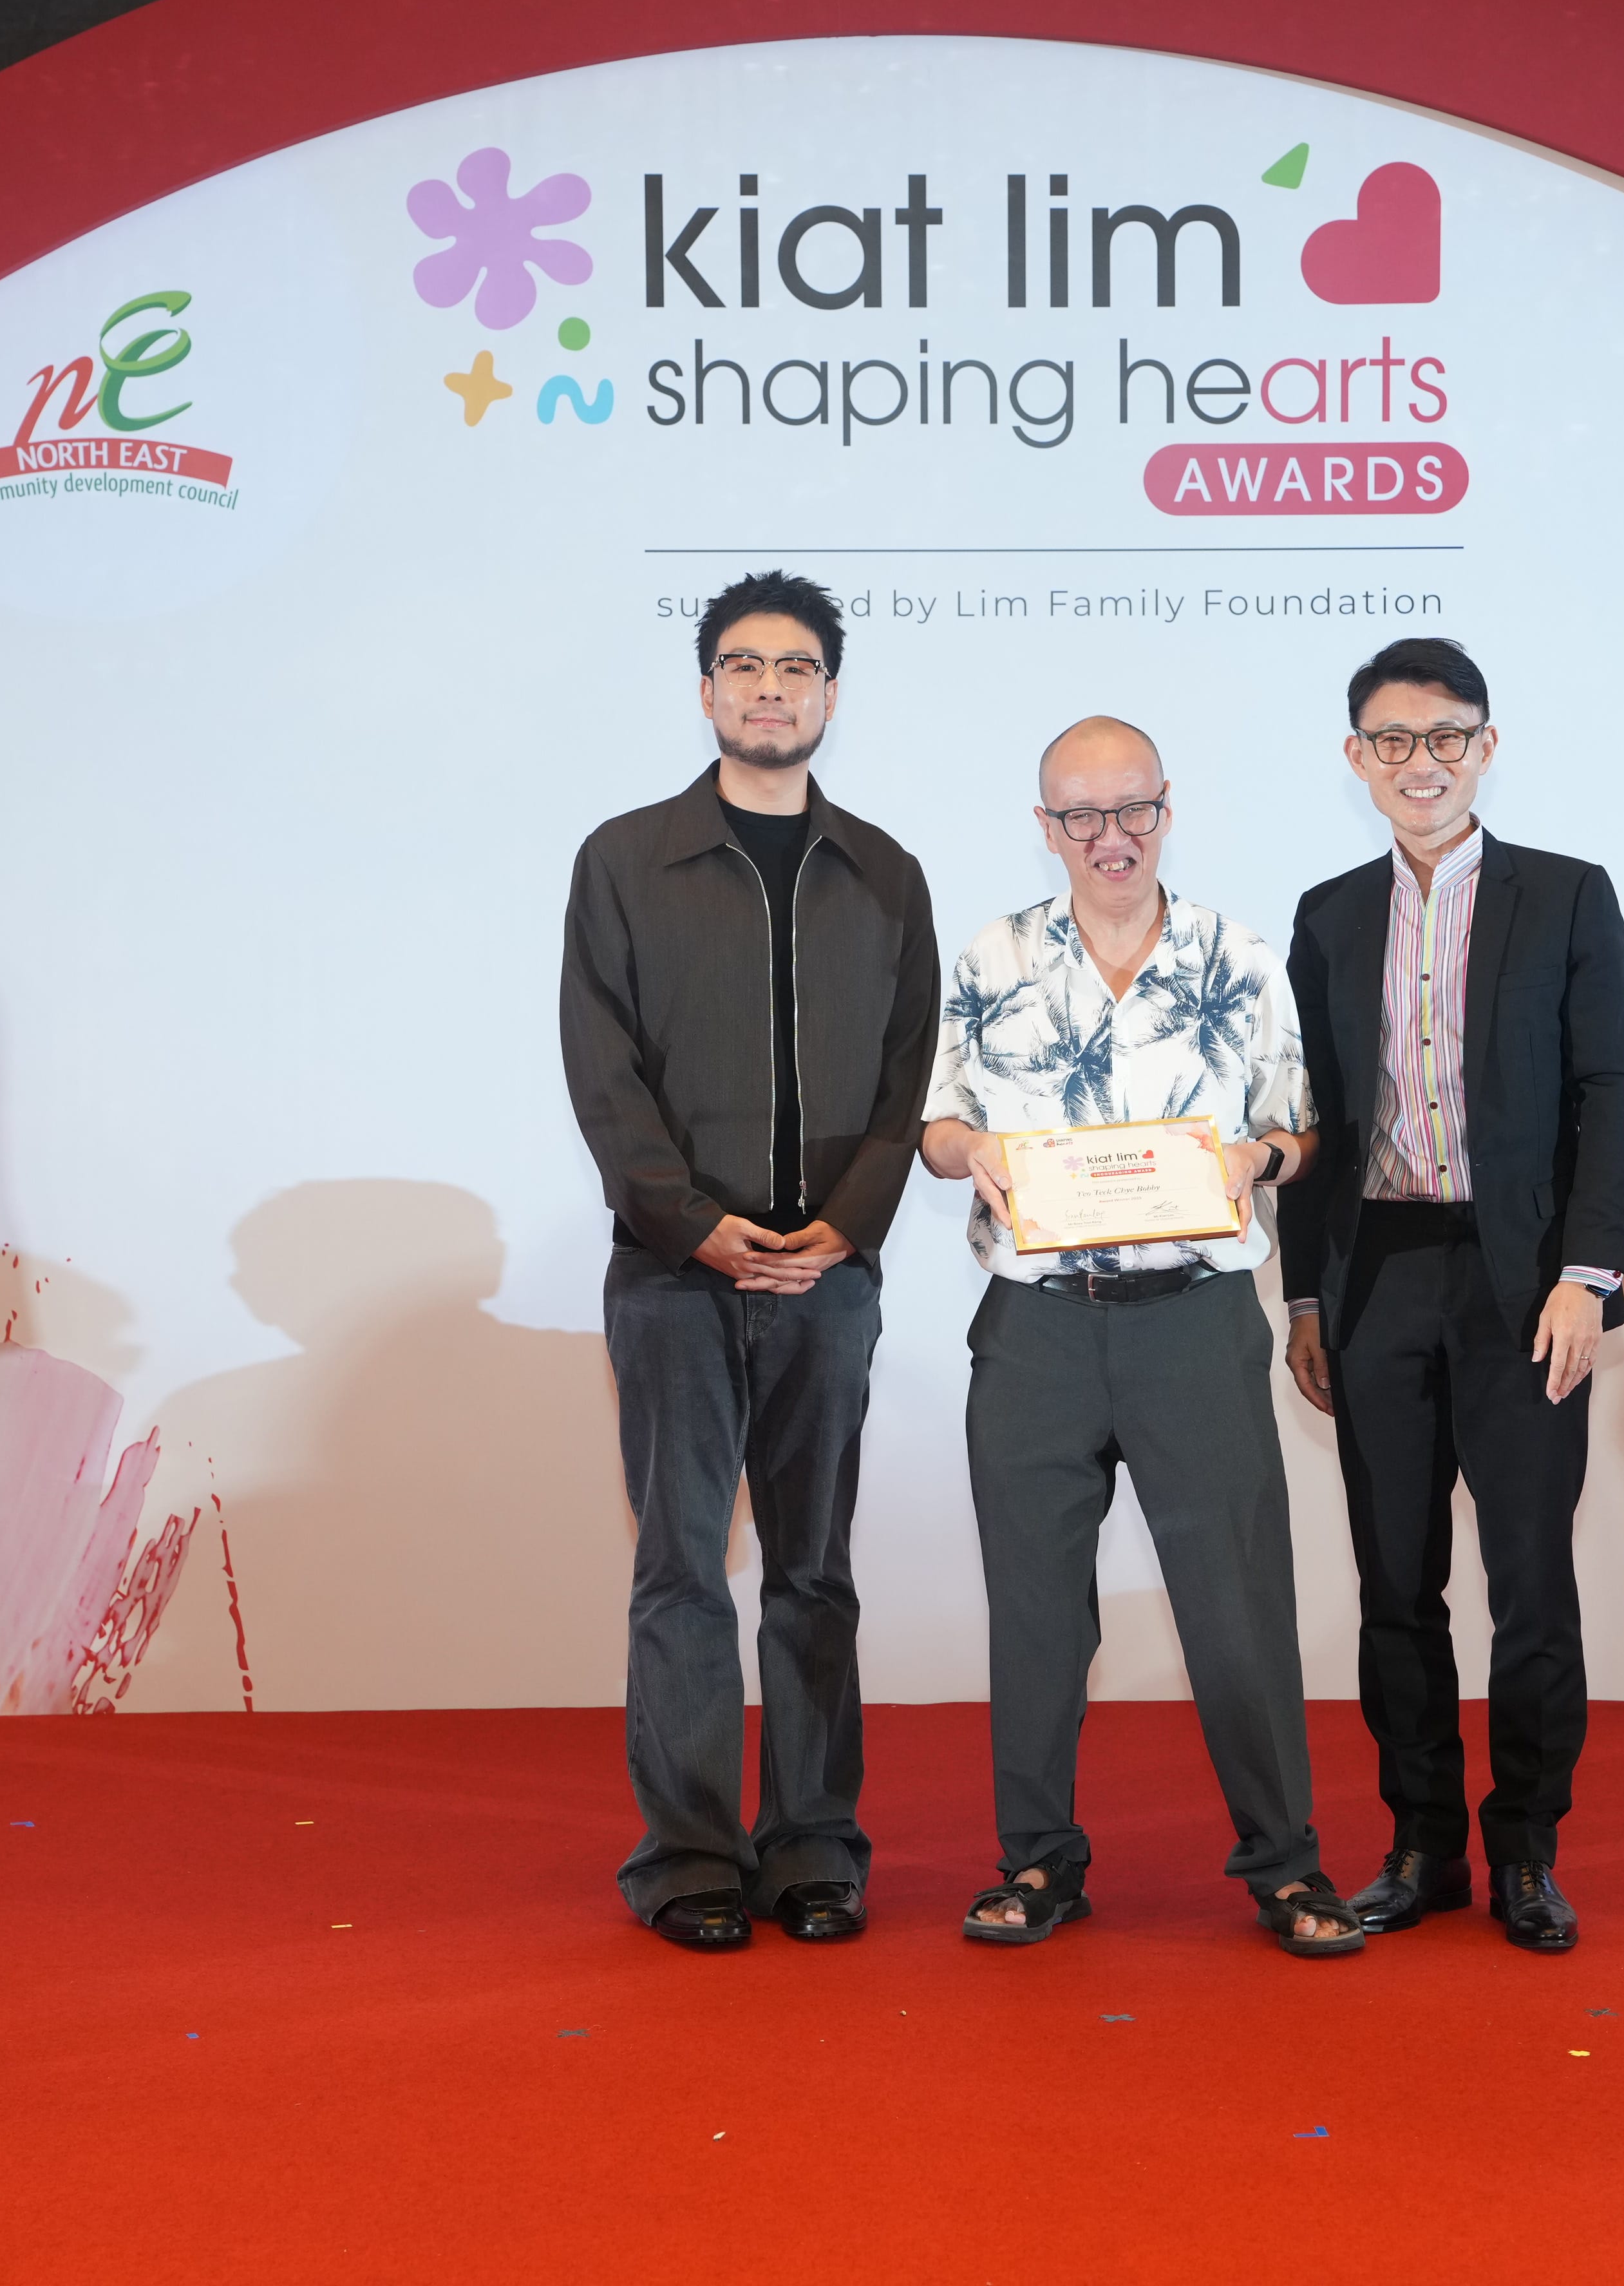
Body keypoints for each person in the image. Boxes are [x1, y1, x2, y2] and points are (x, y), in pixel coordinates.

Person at [918, 716, 1362, 1958]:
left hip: (1196, 1322)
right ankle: (1037, 1864)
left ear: (1169, 809)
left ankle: (1286, 1867)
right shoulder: (994, 956)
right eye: (1080, 817)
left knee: (1237, 1606)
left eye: (1133, 812)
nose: (1109, 839)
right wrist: (977, 1154)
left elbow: (1303, 1127)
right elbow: (938, 1122)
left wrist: (1258, 1155)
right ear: (1046, 826)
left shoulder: (1240, 955)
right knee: (1037, 1608)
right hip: (1038, 1326)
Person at [558, 571, 939, 1950]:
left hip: (830, 1281)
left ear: (832, 693)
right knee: (679, 1571)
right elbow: (602, 1075)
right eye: (743, 666)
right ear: (706, 690)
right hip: (673, 1278)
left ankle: (815, 1851)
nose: (770, 688)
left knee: (814, 1572)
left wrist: (848, 1223)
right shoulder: (624, 860)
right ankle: (689, 1859)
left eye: (796, 667)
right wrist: (693, 1225)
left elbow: (910, 1080)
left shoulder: (886, 873)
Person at [1278, 636, 1624, 1954]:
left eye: (1444, 738)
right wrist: (1305, 1303)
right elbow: (1311, 1120)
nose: (1418, 763)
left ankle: (1529, 1848)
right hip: (1376, 1272)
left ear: (1487, 746)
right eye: (1392, 740)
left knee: (1533, 1581)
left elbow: (1609, 1093)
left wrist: (1586, 1279)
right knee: (1394, 1585)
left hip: (1521, 1284)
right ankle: (1423, 1845)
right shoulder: (1327, 915)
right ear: (1356, 758)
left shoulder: (1565, 898)